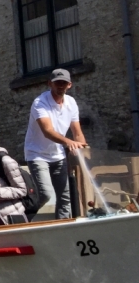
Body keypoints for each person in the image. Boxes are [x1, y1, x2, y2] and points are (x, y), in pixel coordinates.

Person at [24, 68, 87, 219]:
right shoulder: (40, 102)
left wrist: (84, 149)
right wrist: (68, 142)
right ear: (49, 84)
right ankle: (24, 212)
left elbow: (77, 132)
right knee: (46, 194)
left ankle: (63, 230)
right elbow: (48, 131)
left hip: (58, 155)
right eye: (57, 83)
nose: (60, 86)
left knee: (65, 197)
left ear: (69, 85)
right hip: (37, 154)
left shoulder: (71, 103)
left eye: (63, 83)